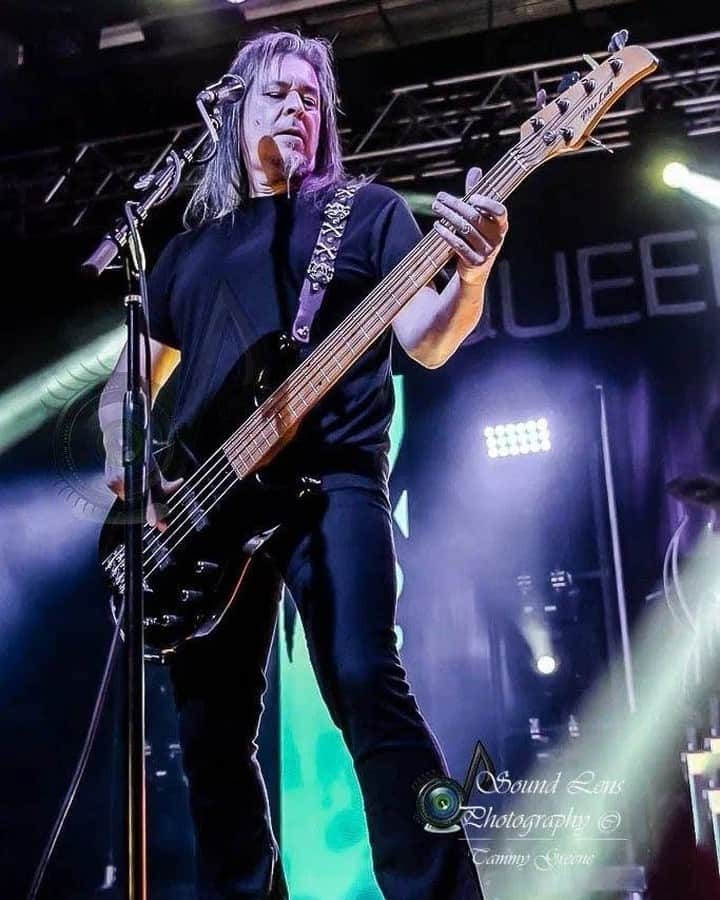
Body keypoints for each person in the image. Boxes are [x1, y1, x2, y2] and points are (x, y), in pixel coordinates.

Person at [99, 30, 508, 900]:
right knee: (209, 735)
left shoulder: (364, 214)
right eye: (278, 94)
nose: (298, 108)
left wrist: (469, 279)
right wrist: (131, 460)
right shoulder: (184, 252)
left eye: (312, 99)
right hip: (206, 512)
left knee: (368, 684)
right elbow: (125, 385)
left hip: (335, 485)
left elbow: (427, 342)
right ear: (235, 109)